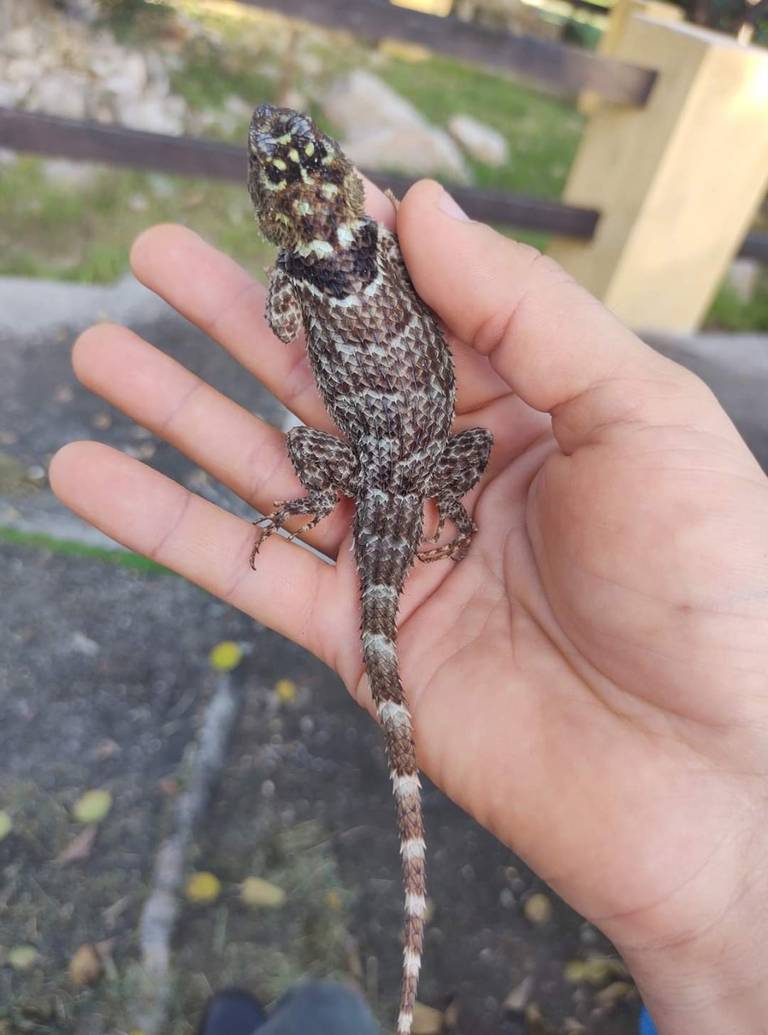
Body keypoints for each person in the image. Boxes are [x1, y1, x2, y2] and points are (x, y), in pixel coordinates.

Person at [50, 179, 768, 1035]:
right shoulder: (380, 243)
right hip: (429, 459)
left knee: (314, 479)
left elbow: (282, 326)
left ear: (276, 213)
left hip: (376, 466)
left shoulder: (291, 275)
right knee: (393, 586)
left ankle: (309, 502)